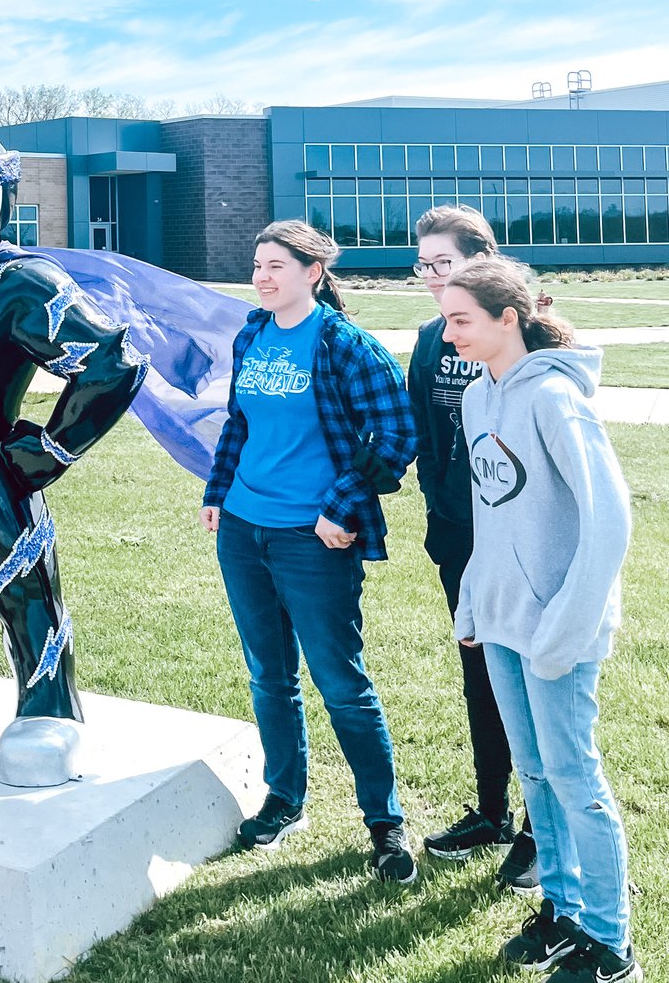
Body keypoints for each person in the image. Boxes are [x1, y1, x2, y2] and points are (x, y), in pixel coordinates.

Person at [200, 220, 419, 883]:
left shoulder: (344, 344)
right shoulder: (253, 332)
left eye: (277, 267)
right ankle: (284, 800)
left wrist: (340, 508)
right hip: (243, 529)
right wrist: (218, 491)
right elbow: (239, 423)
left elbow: (397, 435)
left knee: (342, 686)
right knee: (270, 677)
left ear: (313, 273)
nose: (262, 277)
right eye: (258, 265)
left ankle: (385, 826)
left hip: (313, 539)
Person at [442, 258, 640, 982]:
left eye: (462, 319)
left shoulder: (554, 397)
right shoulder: (476, 399)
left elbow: (610, 518)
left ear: (508, 319)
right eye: (445, 317)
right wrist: (474, 599)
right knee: (534, 773)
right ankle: (564, 911)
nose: (449, 332)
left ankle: (612, 943)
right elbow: (491, 517)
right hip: (502, 623)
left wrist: (568, 624)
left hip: (561, 630)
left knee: (574, 775)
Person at [407, 206, 536, 890]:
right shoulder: (432, 340)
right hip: (462, 542)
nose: (430, 278)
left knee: (532, 678)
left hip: (522, 544)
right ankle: (491, 811)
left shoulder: (528, 335)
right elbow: (425, 438)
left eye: (443, 264)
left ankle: (539, 830)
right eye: (423, 265)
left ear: (483, 262)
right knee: (480, 671)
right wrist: (441, 517)